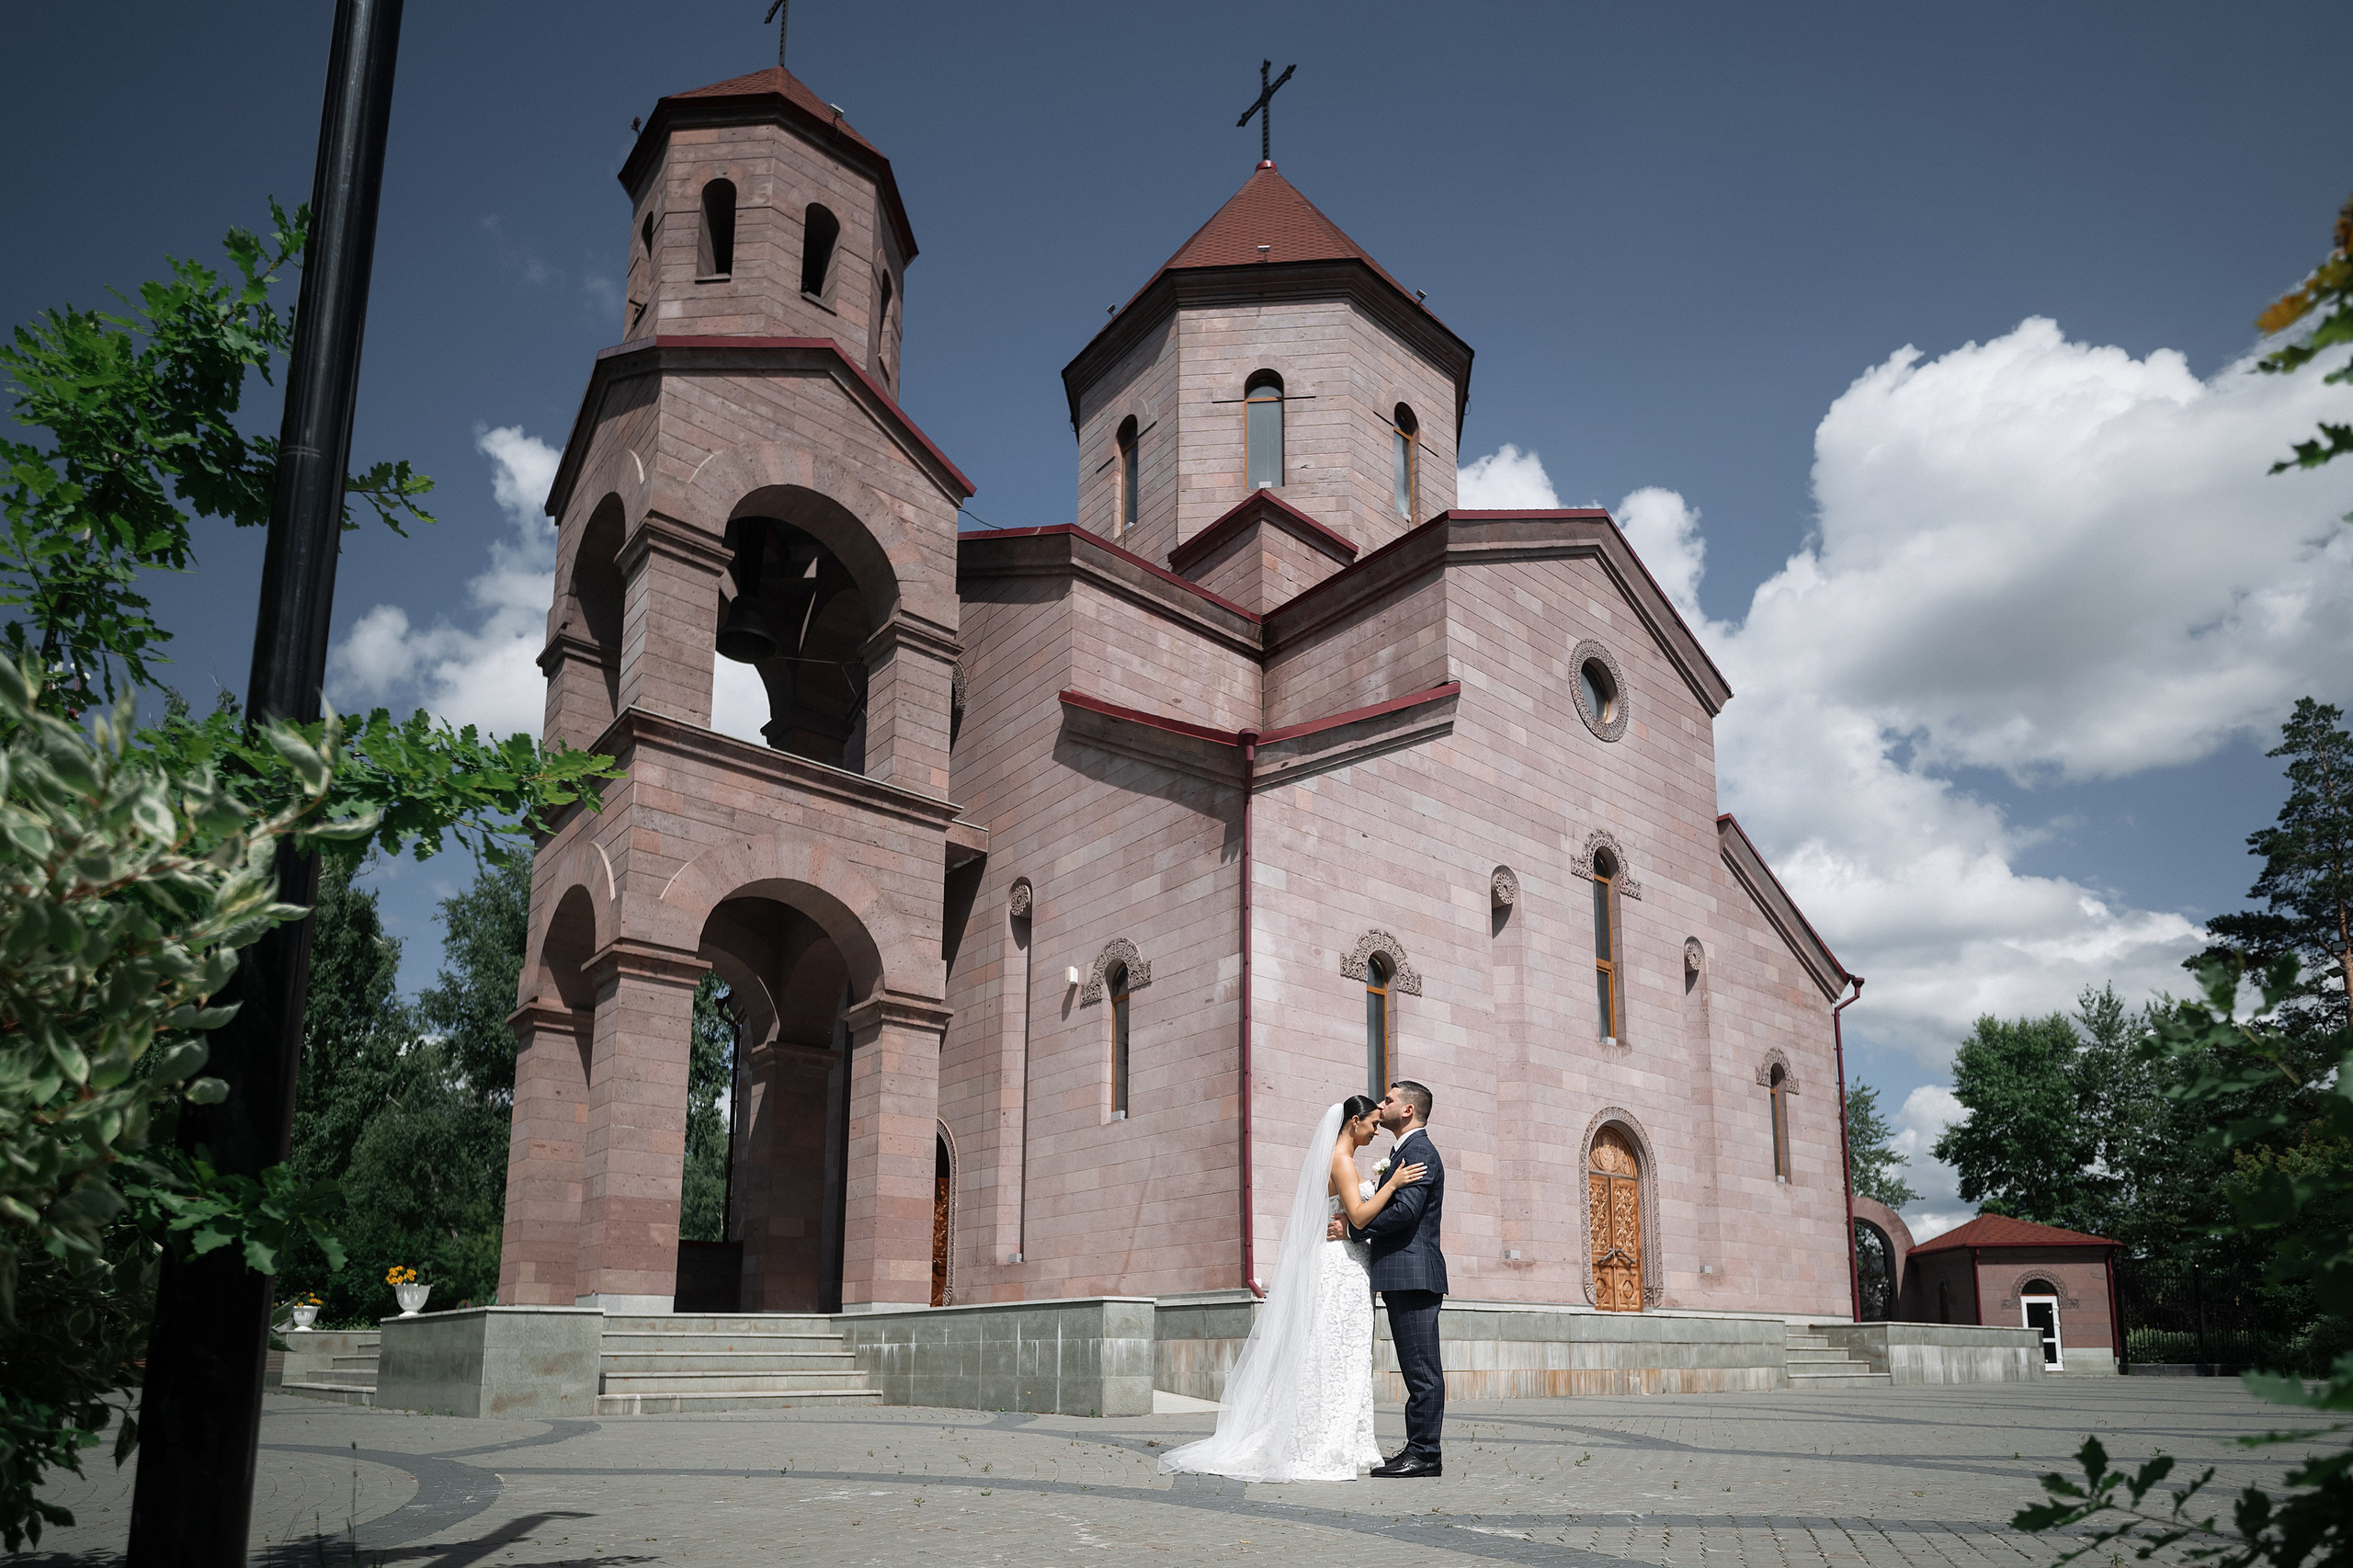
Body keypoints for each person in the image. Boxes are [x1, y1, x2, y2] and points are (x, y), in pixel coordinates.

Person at [1158, 1095, 1425, 1483]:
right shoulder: (1341, 1160)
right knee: (1335, 1354)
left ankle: (1344, 1439)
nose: (1375, 1129)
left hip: (1346, 1264)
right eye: (1371, 1124)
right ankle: (1324, 1442)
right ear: (1354, 1122)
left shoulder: (1335, 1160)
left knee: (1339, 1354)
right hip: (1341, 1269)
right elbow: (1360, 1214)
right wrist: (1393, 1183)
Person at [1352, 1080, 1447, 1478]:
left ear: (1408, 1110)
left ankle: (1425, 1454)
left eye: (1389, 1100)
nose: (1381, 1104)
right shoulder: (1403, 1150)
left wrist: (1358, 1229)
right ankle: (1419, 1448)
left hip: (1413, 1273)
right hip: (1402, 1273)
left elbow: (1407, 1212)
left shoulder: (1419, 1150)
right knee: (1415, 1367)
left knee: (1422, 1369)